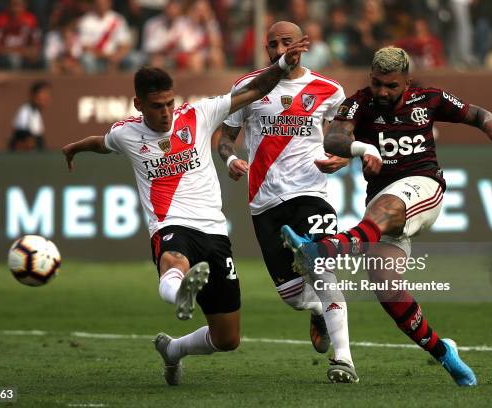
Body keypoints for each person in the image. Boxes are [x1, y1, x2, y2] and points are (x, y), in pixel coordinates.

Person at [61, 36, 309, 386]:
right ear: (138, 104)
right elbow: (101, 144)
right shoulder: (126, 134)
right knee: (174, 259)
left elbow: (253, 90)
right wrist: (76, 147)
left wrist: (283, 65)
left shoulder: (198, 114)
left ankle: (174, 349)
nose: (164, 112)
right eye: (156, 106)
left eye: (168, 103)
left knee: (227, 339)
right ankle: (180, 292)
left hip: (214, 232)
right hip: (170, 224)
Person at [281, 46, 492, 387]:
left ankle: (323, 250)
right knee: (387, 288)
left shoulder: (430, 98)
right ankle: (444, 352)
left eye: (391, 86)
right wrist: (362, 149)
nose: (382, 92)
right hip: (381, 205)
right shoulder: (359, 103)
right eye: (377, 83)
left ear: (406, 81)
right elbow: (334, 139)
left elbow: (473, 113)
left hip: (424, 188)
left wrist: (491, 123)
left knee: (387, 206)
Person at [219, 21, 357, 383]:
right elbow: (226, 138)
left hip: (311, 192)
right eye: (272, 44)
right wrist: (230, 158)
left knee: (323, 266)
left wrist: (342, 159)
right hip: (264, 201)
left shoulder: (329, 89)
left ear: (301, 46)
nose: (279, 49)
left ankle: (343, 359)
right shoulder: (248, 87)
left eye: (286, 42)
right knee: (294, 296)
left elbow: (341, 140)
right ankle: (318, 314)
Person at [77, 0, 132, 73]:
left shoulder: (118, 19)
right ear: (94, 4)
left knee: (135, 59)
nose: (101, 6)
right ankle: (92, 82)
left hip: (116, 57)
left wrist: (117, 56)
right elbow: (85, 47)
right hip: (96, 57)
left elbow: (125, 44)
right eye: (99, 4)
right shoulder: (86, 21)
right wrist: (107, 56)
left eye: (104, 3)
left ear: (109, 3)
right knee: (87, 59)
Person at [8, 81, 51, 151]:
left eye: (48, 95)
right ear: (34, 95)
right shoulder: (25, 111)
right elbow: (21, 134)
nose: (47, 98)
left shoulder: (36, 112)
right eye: (44, 94)